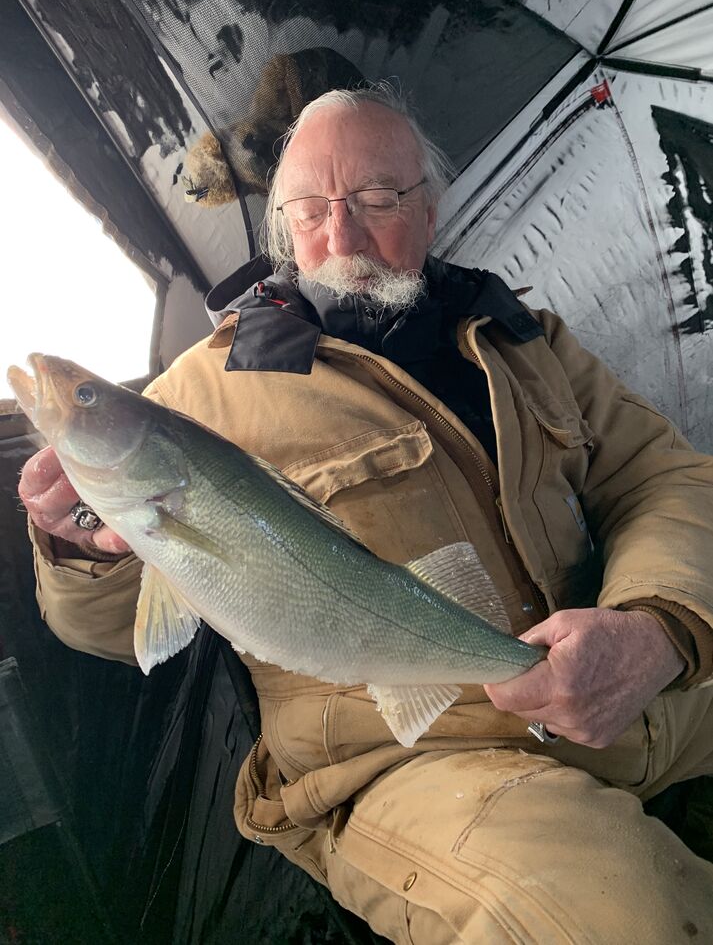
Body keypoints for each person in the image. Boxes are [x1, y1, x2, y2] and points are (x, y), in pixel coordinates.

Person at [18, 85, 713, 942]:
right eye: (309, 209)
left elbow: (663, 475)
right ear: (279, 222)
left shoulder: (524, 338)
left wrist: (658, 626)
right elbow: (107, 627)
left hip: (640, 687)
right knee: (604, 916)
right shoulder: (192, 400)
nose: (340, 237)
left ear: (428, 208)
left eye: (377, 201)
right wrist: (83, 547)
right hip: (408, 761)